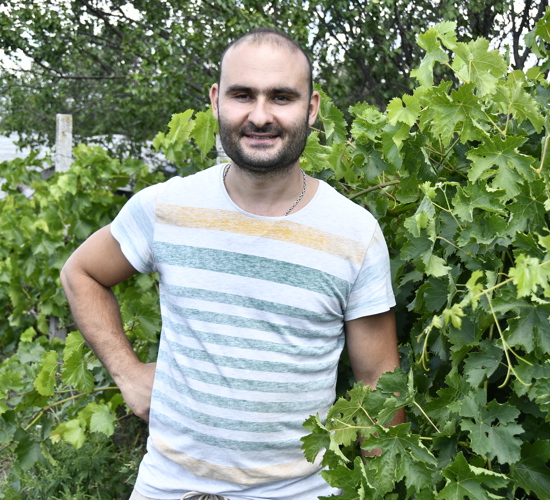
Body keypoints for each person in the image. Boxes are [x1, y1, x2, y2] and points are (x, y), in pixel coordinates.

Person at [61, 27, 403, 500]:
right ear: (217, 100)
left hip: (297, 492)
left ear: (312, 107)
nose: (260, 115)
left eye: (281, 97)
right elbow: (81, 272)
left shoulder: (354, 232)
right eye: (243, 95)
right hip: (170, 485)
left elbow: (377, 383)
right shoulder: (165, 208)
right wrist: (128, 373)